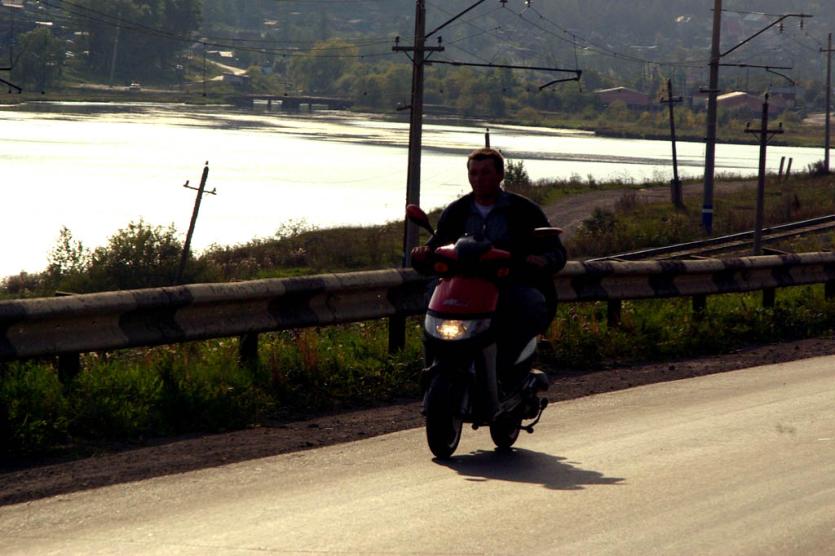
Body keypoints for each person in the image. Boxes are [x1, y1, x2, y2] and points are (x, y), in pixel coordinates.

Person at [411, 147, 566, 374]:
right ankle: (434, 364)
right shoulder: (456, 211)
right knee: (431, 298)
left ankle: (514, 366)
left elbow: (556, 252)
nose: (479, 179)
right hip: (461, 289)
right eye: (474, 173)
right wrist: (422, 255)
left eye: (485, 173)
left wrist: (543, 260)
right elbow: (438, 245)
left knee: (530, 302)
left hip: (508, 283)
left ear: (500, 175)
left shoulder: (523, 210)